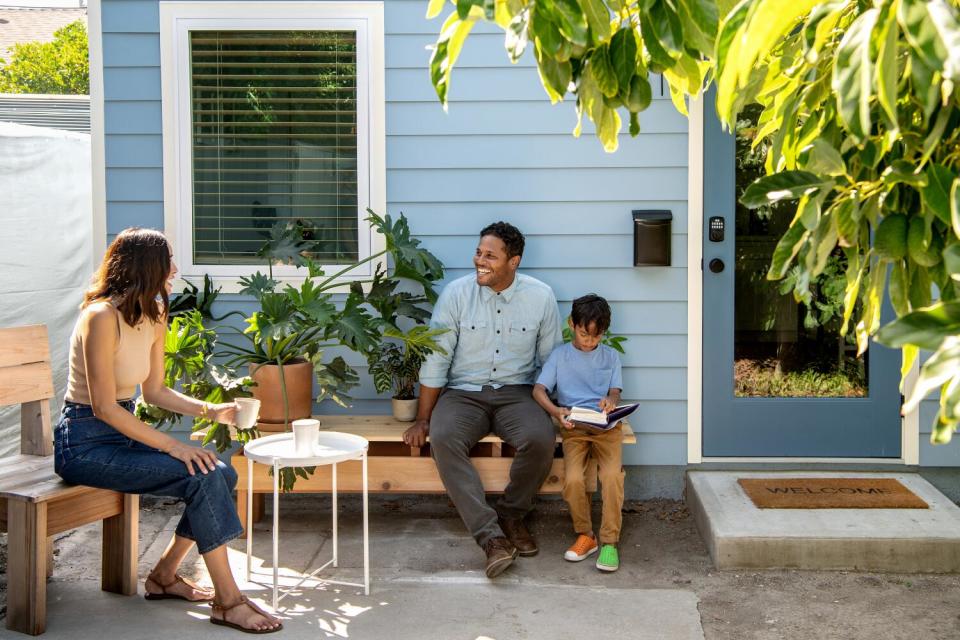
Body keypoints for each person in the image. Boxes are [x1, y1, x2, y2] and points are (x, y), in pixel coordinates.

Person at [54, 228, 282, 633]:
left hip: (124, 435)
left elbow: (154, 391)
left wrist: (214, 411)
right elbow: (105, 408)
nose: (175, 269)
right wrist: (174, 449)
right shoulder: (100, 317)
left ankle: (164, 576)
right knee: (203, 476)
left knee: (220, 472)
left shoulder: (155, 313)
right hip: (85, 443)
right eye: (169, 261)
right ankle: (228, 601)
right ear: (146, 267)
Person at [403, 221, 563, 578]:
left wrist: (555, 411)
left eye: (491, 255)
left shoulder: (541, 297)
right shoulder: (456, 294)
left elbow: (549, 361)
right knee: (443, 439)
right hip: (463, 394)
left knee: (540, 439)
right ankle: (491, 538)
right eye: (479, 252)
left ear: (514, 261)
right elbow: (436, 359)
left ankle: (512, 514)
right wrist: (424, 418)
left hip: (518, 392)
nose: (480, 260)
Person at [532, 294, 625, 572]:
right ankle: (586, 535)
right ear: (572, 324)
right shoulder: (560, 356)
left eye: (596, 337)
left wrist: (611, 401)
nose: (589, 341)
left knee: (611, 477)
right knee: (572, 480)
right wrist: (555, 411)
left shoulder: (610, 356)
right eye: (584, 334)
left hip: (606, 427)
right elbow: (539, 390)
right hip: (574, 427)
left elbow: (615, 391)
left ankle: (609, 542)